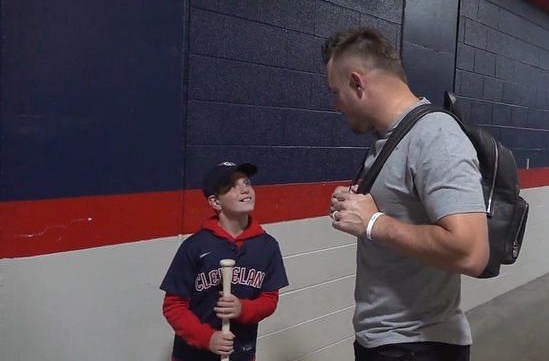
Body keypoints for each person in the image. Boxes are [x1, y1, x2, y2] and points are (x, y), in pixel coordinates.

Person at [323, 27, 489, 361]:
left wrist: (374, 223)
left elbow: (472, 253)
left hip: (418, 345)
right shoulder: (391, 137)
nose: (335, 105)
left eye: (335, 91)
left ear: (358, 83)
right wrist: (360, 211)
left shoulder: (436, 136)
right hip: (385, 341)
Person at [160, 161, 288, 361]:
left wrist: (243, 309)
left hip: (241, 353)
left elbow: (269, 300)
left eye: (246, 183)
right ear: (215, 202)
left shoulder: (267, 246)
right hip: (193, 355)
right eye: (232, 186)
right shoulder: (195, 246)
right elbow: (173, 306)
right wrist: (208, 338)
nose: (245, 189)